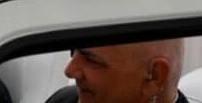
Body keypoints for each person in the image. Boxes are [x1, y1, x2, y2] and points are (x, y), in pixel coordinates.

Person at [46, 39, 187, 103]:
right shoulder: (64, 99)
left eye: (91, 60)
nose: (69, 71)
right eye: (73, 51)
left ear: (153, 77)